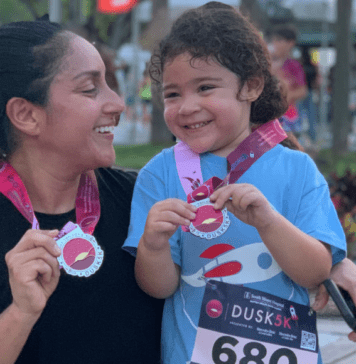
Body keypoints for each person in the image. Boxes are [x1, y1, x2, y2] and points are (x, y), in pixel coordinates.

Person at [123, 2, 346, 363]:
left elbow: (316, 272)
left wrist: (269, 223)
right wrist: (152, 245)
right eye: (172, 93)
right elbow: (159, 286)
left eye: (205, 87)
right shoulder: (159, 174)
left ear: (251, 86)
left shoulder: (297, 169)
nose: (187, 106)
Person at [0, 18, 163, 364]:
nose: (118, 104)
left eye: (109, 83)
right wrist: (20, 313)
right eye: (90, 89)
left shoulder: (146, 201)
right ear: (26, 114)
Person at [269, 24, 308, 135]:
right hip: (267, 115)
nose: (275, 44)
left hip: (287, 115)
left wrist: (285, 97)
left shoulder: (294, 65)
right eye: (274, 40)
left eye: (279, 40)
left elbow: (302, 91)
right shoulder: (265, 61)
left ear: (290, 43)